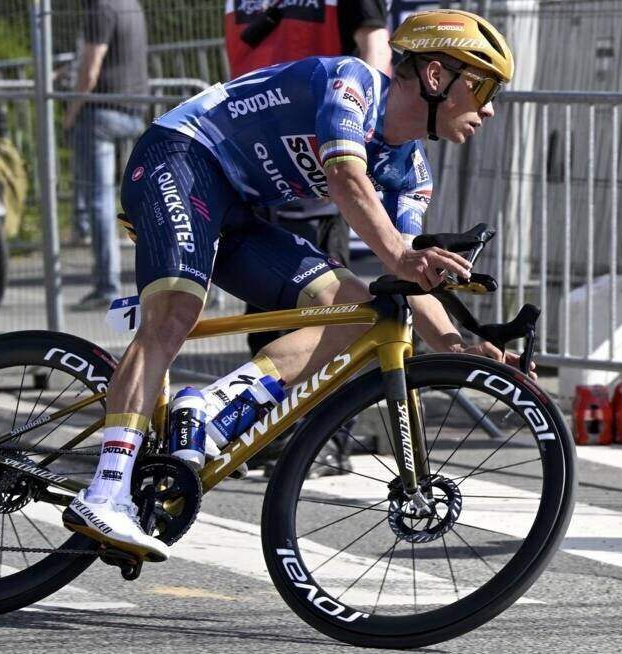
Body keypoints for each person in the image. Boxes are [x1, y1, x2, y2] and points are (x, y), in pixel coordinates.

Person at [62, 9, 523, 562]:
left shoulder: (412, 171)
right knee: (176, 311)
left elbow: (407, 279)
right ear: (435, 78)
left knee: (359, 307)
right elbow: (347, 179)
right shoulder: (352, 85)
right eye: (482, 87)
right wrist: (403, 255)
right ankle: (106, 491)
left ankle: (209, 413)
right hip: (182, 158)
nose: (489, 107)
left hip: (238, 209)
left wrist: (459, 346)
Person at [225, 0, 393, 356]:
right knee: (274, 312)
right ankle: (265, 407)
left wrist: (355, 143)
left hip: (309, 161)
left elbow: (375, 49)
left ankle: (319, 410)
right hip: (256, 164)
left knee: (325, 310)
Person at [64, 0, 149, 310]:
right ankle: (154, 283)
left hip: (100, 112)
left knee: (99, 200)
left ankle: (105, 285)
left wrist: (70, 114)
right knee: (141, 200)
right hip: (135, 110)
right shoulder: (131, 5)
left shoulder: (99, 7)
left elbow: (90, 69)